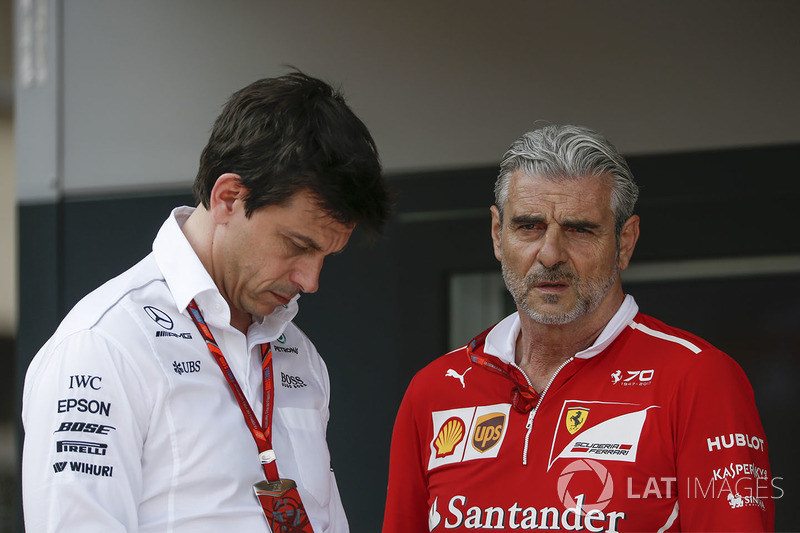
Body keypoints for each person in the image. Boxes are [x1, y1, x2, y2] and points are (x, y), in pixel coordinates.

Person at [22, 71, 390, 532]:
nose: (311, 280)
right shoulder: (104, 345)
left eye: (325, 256)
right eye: (297, 245)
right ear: (229, 197)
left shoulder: (300, 354)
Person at [382, 125, 774, 532]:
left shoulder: (699, 378)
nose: (550, 254)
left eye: (579, 229)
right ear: (498, 234)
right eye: (529, 226)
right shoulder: (434, 389)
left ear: (625, 241)